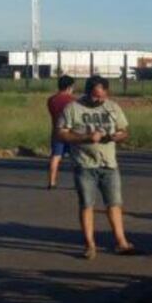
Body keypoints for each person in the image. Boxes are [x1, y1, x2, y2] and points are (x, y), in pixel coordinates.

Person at [56, 76, 137, 259]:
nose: (98, 100)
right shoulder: (73, 109)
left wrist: (119, 136)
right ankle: (90, 245)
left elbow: (124, 131)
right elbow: (61, 133)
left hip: (109, 164)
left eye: (101, 96)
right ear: (87, 92)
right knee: (87, 204)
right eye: (94, 96)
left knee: (114, 203)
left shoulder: (113, 107)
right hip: (84, 164)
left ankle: (121, 241)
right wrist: (85, 138)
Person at [46, 75, 75, 189]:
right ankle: (77, 182)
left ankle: (52, 182)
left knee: (56, 156)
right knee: (75, 158)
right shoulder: (73, 101)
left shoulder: (51, 100)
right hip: (71, 132)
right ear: (69, 87)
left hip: (57, 131)